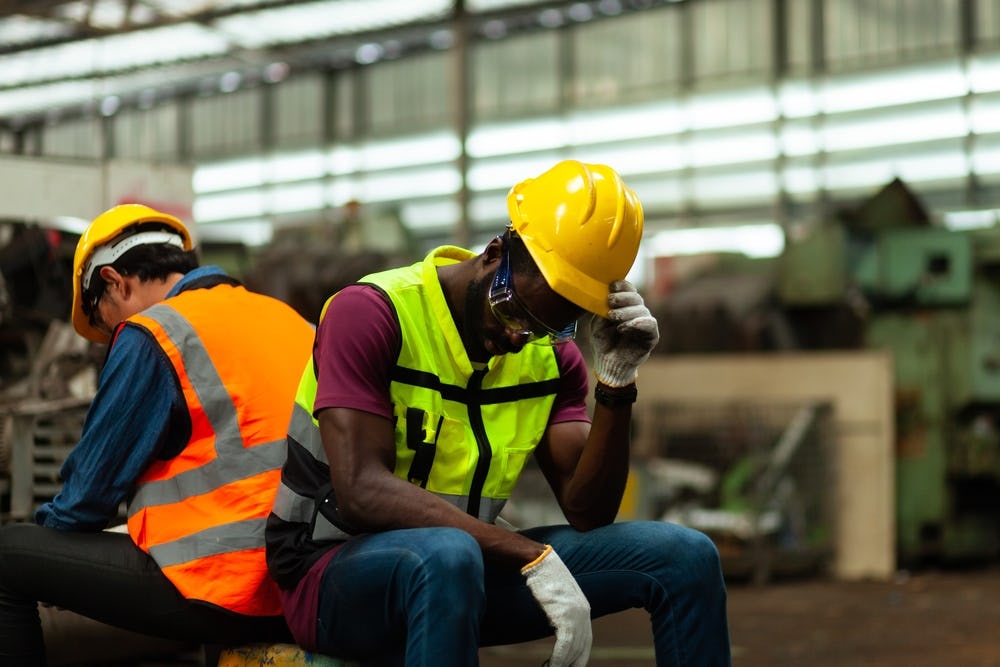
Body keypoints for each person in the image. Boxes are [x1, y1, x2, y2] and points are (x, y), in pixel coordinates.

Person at [266, 160, 732, 666]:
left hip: (467, 567)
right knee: (447, 555)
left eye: (541, 328)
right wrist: (524, 553)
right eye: (514, 310)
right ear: (493, 255)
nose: (518, 336)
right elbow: (360, 490)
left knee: (686, 557)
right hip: (332, 575)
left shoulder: (551, 361)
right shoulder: (372, 314)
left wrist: (616, 384)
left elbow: (588, 510)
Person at [0, 204, 316, 666]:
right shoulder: (290, 320)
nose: (115, 336)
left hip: (230, 585)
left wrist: (54, 550)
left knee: (9, 557)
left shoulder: (156, 332)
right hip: (311, 584)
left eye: (106, 322)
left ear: (114, 281)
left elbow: (87, 498)